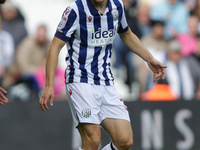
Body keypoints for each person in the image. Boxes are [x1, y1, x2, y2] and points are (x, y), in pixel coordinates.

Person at [39, 0, 167, 150]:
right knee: (92, 140)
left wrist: (149, 58)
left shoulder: (117, 6)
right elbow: (55, 46)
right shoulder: (75, 10)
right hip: (80, 80)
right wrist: (49, 85)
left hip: (106, 81)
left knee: (124, 141)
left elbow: (127, 35)